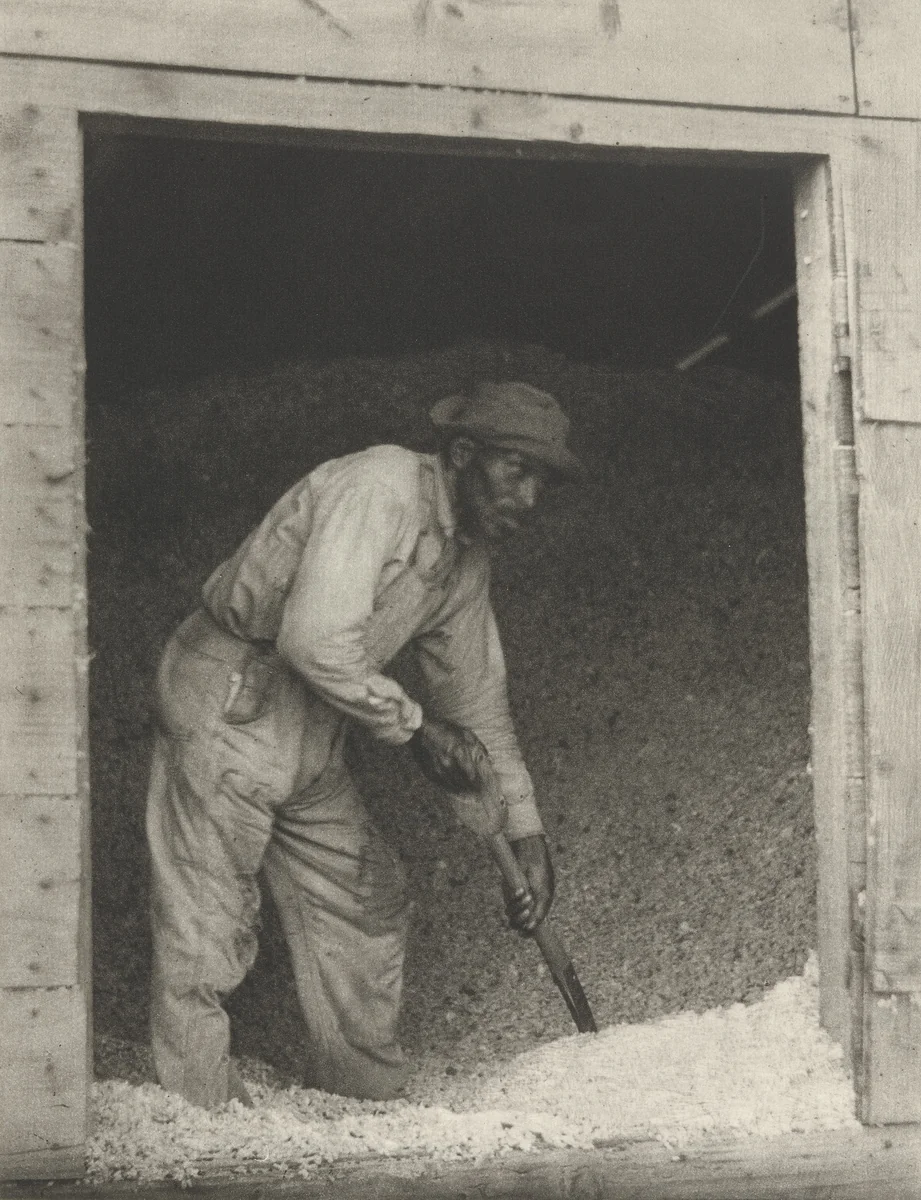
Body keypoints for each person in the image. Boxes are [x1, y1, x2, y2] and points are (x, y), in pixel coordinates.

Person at [145, 379, 584, 1108]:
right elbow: (314, 639)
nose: (529, 498)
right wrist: (413, 729)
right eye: (517, 469)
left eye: (542, 479)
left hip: (316, 722)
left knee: (366, 900)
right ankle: (195, 1124)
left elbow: (476, 705)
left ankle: (361, 1106)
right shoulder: (378, 487)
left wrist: (524, 828)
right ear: (464, 453)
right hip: (230, 698)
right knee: (207, 921)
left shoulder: (464, 559)